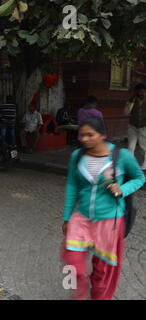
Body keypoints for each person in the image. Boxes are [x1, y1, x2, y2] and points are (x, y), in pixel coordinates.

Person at [61, 117, 145, 300]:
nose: (84, 139)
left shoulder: (121, 156)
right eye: (82, 135)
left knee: (103, 271)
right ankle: (78, 293)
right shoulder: (77, 156)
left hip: (109, 221)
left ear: (103, 136)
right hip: (81, 217)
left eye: (90, 135)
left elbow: (140, 177)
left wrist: (122, 189)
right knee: (72, 261)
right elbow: (72, 187)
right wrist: (67, 217)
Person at [124, 83, 146, 170]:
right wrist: (131, 102)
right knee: (130, 147)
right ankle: (130, 165)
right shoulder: (132, 100)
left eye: (143, 92)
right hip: (132, 126)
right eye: (139, 92)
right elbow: (126, 112)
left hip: (144, 127)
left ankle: (145, 165)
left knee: (143, 147)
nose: (141, 94)